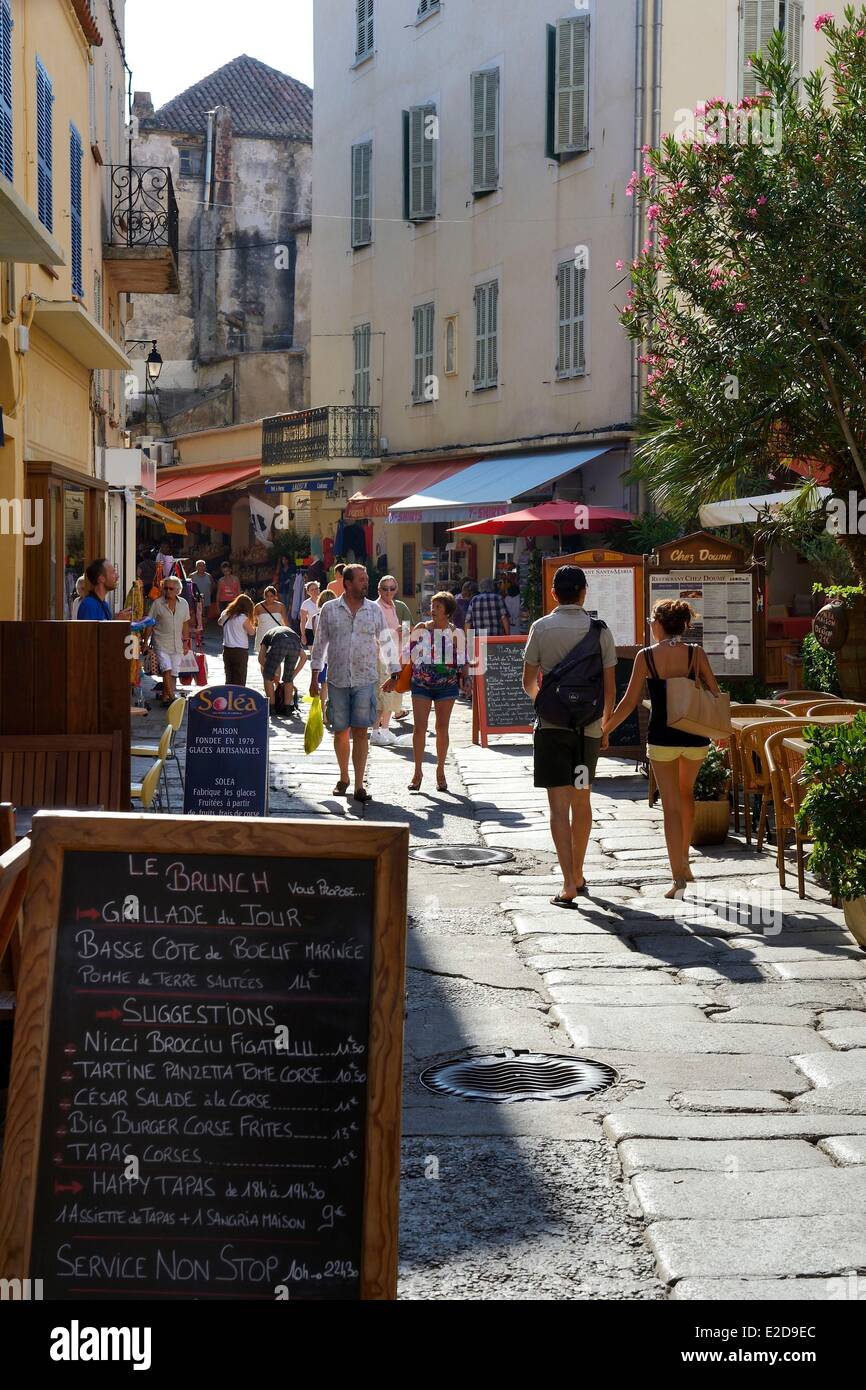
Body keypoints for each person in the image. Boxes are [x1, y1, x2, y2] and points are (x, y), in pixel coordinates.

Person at [603, 599, 718, 899]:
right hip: (694, 736)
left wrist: (605, 732)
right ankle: (686, 862)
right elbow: (715, 693)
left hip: (662, 736)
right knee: (686, 794)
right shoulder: (696, 654)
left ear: (659, 624)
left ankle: (677, 877)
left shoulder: (646, 657)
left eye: (651, 621)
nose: (650, 626)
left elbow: (629, 702)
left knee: (670, 806)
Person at [522, 565, 617, 906]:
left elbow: (528, 681)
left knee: (558, 807)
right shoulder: (600, 631)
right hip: (587, 732)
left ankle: (567, 884)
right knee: (582, 798)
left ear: (553, 593)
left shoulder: (541, 628)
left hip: (552, 731)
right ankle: (578, 871)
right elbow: (610, 689)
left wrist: (548, 704)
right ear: (583, 592)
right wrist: (602, 727)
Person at [310, 563, 400, 803]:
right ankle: (343, 777)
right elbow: (320, 644)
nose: (365, 582)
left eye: (366, 578)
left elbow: (386, 641)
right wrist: (314, 674)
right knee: (340, 732)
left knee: (361, 731)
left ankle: (359, 784)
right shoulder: (329, 609)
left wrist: (394, 672)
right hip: (338, 678)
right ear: (347, 583)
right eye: (361, 579)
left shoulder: (373, 610)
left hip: (365, 678)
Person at [392, 591, 462, 792]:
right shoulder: (421, 628)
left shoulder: (456, 633)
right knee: (419, 728)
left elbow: (463, 659)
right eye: (432, 606)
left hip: (446, 686)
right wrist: (395, 676)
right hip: (421, 684)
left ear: (447, 611)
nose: (433, 610)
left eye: (438, 607)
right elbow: (406, 654)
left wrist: (466, 674)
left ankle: (440, 770)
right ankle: (417, 771)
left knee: (442, 728)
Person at [372, 574, 412, 741]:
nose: (389, 591)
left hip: (394, 655)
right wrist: (394, 633)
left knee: (393, 695)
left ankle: (386, 728)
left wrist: (404, 633)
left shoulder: (395, 606)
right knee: (382, 695)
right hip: (381, 656)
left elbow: (407, 627)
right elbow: (372, 632)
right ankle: (375, 731)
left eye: (392, 588)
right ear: (379, 590)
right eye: (385, 588)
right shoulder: (375, 607)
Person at [150, 574, 191, 706]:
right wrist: (145, 642)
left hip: (177, 644)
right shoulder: (157, 604)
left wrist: (186, 642)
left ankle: (165, 697)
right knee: (166, 668)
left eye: (171, 589)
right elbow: (149, 623)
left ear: (178, 590)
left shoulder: (184, 604)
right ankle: (173, 699)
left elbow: (185, 623)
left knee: (174, 672)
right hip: (161, 641)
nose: (167, 591)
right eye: (165, 588)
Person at [259, 623, 307, 716]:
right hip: (294, 645)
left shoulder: (267, 635)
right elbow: (304, 658)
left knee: (267, 676)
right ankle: (287, 709)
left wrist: (270, 672)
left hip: (279, 643)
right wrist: (293, 675)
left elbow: (260, 658)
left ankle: (271, 708)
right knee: (288, 679)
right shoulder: (294, 636)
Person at [219, 594, 256, 685]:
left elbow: (219, 622)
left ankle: (229, 696)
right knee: (240, 677)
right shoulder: (243, 618)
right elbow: (252, 632)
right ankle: (239, 697)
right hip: (240, 651)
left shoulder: (225, 614)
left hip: (227, 649)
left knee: (229, 676)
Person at [254, 586, 288, 652]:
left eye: (271, 596)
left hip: (277, 635)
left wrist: (288, 634)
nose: (269, 598)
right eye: (267, 596)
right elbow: (253, 622)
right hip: (262, 635)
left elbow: (285, 621)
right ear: (264, 596)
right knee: (263, 659)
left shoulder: (281, 606)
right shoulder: (258, 607)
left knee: (276, 658)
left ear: (275, 596)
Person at [300, 581, 321, 648]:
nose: (315, 591)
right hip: (310, 630)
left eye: (316, 588)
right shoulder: (306, 603)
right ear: (308, 592)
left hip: (323, 630)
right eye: (312, 590)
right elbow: (303, 621)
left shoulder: (324, 601)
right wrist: (303, 635)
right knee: (313, 655)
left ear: (319, 589)